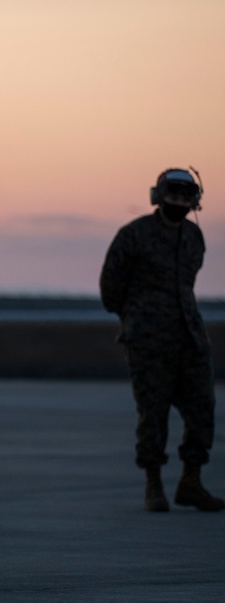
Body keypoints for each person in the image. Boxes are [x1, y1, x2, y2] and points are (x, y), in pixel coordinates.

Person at [100, 168, 223, 513]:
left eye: (186, 197)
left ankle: (191, 481)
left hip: (190, 337)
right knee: (152, 414)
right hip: (148, 340)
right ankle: (153, 485)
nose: (179, 202)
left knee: (202, 409)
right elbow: (111, 287)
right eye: (174, 195)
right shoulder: (134, 235)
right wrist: (136, 318)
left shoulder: (194, 237)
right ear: (159, 195)